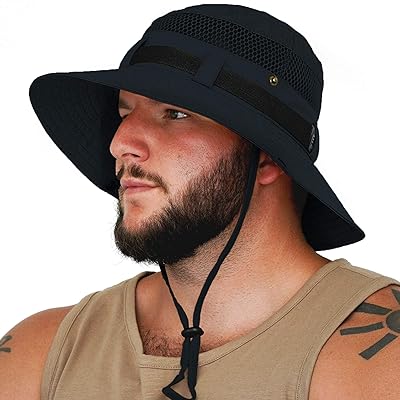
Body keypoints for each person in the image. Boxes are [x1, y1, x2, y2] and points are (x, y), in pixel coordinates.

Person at [2, 4, 400, 400]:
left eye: (175, 114)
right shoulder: (42, 353)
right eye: (125, 113)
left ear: (267, 158)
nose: (120, 144)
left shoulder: (376, 357)